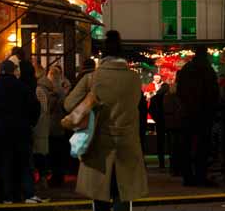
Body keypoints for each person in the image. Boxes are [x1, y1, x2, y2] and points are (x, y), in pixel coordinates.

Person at [64, 30, 148, 211]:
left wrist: (89, 104)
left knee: (99, 197)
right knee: (123, 195)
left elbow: (68, 104)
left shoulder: (92, 78)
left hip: (99, 147)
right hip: (127, 145)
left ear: (103, 55)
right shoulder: (134, 79)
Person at [0, 59, 41, 203]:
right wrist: (31, 123)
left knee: (5, 163)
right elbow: (35, 107)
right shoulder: (22, 87)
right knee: (25, 163)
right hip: (22, 130)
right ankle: (28, 194)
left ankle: (7, 196)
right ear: (13, 71)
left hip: (1, 131)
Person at [175, 46, 219, 186]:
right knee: (202, 147)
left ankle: (188, 177)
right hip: (203, 113)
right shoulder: (207, 70)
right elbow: (213, 93)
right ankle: (200, 176)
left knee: (186, 146)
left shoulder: (186, 69)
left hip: (187, 113)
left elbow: (180, 91)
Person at [163, 83, 184, 177]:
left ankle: (173, 168)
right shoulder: (176, 98)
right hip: (177, 124)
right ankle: (176, 168)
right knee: (177, 146)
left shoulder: (166, 97)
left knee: (173, 146)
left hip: (170, 124)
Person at [149, 81, 169, 171]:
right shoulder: (169, 98)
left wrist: (156, 118)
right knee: (169, 141)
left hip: (160, 121)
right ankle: (171, 162)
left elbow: (150, 110)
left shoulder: (155, 98)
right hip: (169, 122)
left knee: (160, 142)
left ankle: (161, 162)